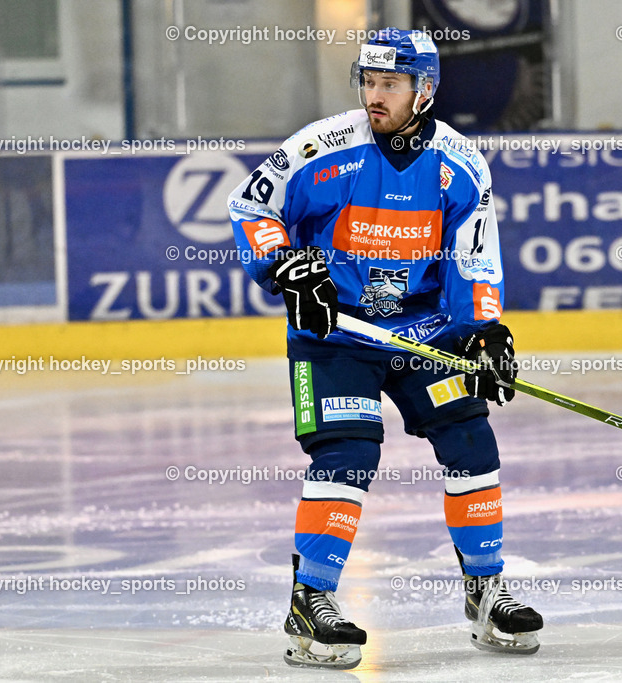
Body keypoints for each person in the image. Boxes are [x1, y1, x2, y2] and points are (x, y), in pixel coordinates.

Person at [228, 28, 542, 669]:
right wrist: (284, 264)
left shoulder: (460, 164)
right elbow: (252, 208)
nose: (375, 95)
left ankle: (486, 590)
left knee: (470, 438)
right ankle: (310, 600)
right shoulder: (321, 148)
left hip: (423, 332)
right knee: (347, 452)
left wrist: (482, 330)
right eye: (368, 82)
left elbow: (472, 257)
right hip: (334, 335)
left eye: (390, 84)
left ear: (424, 90)